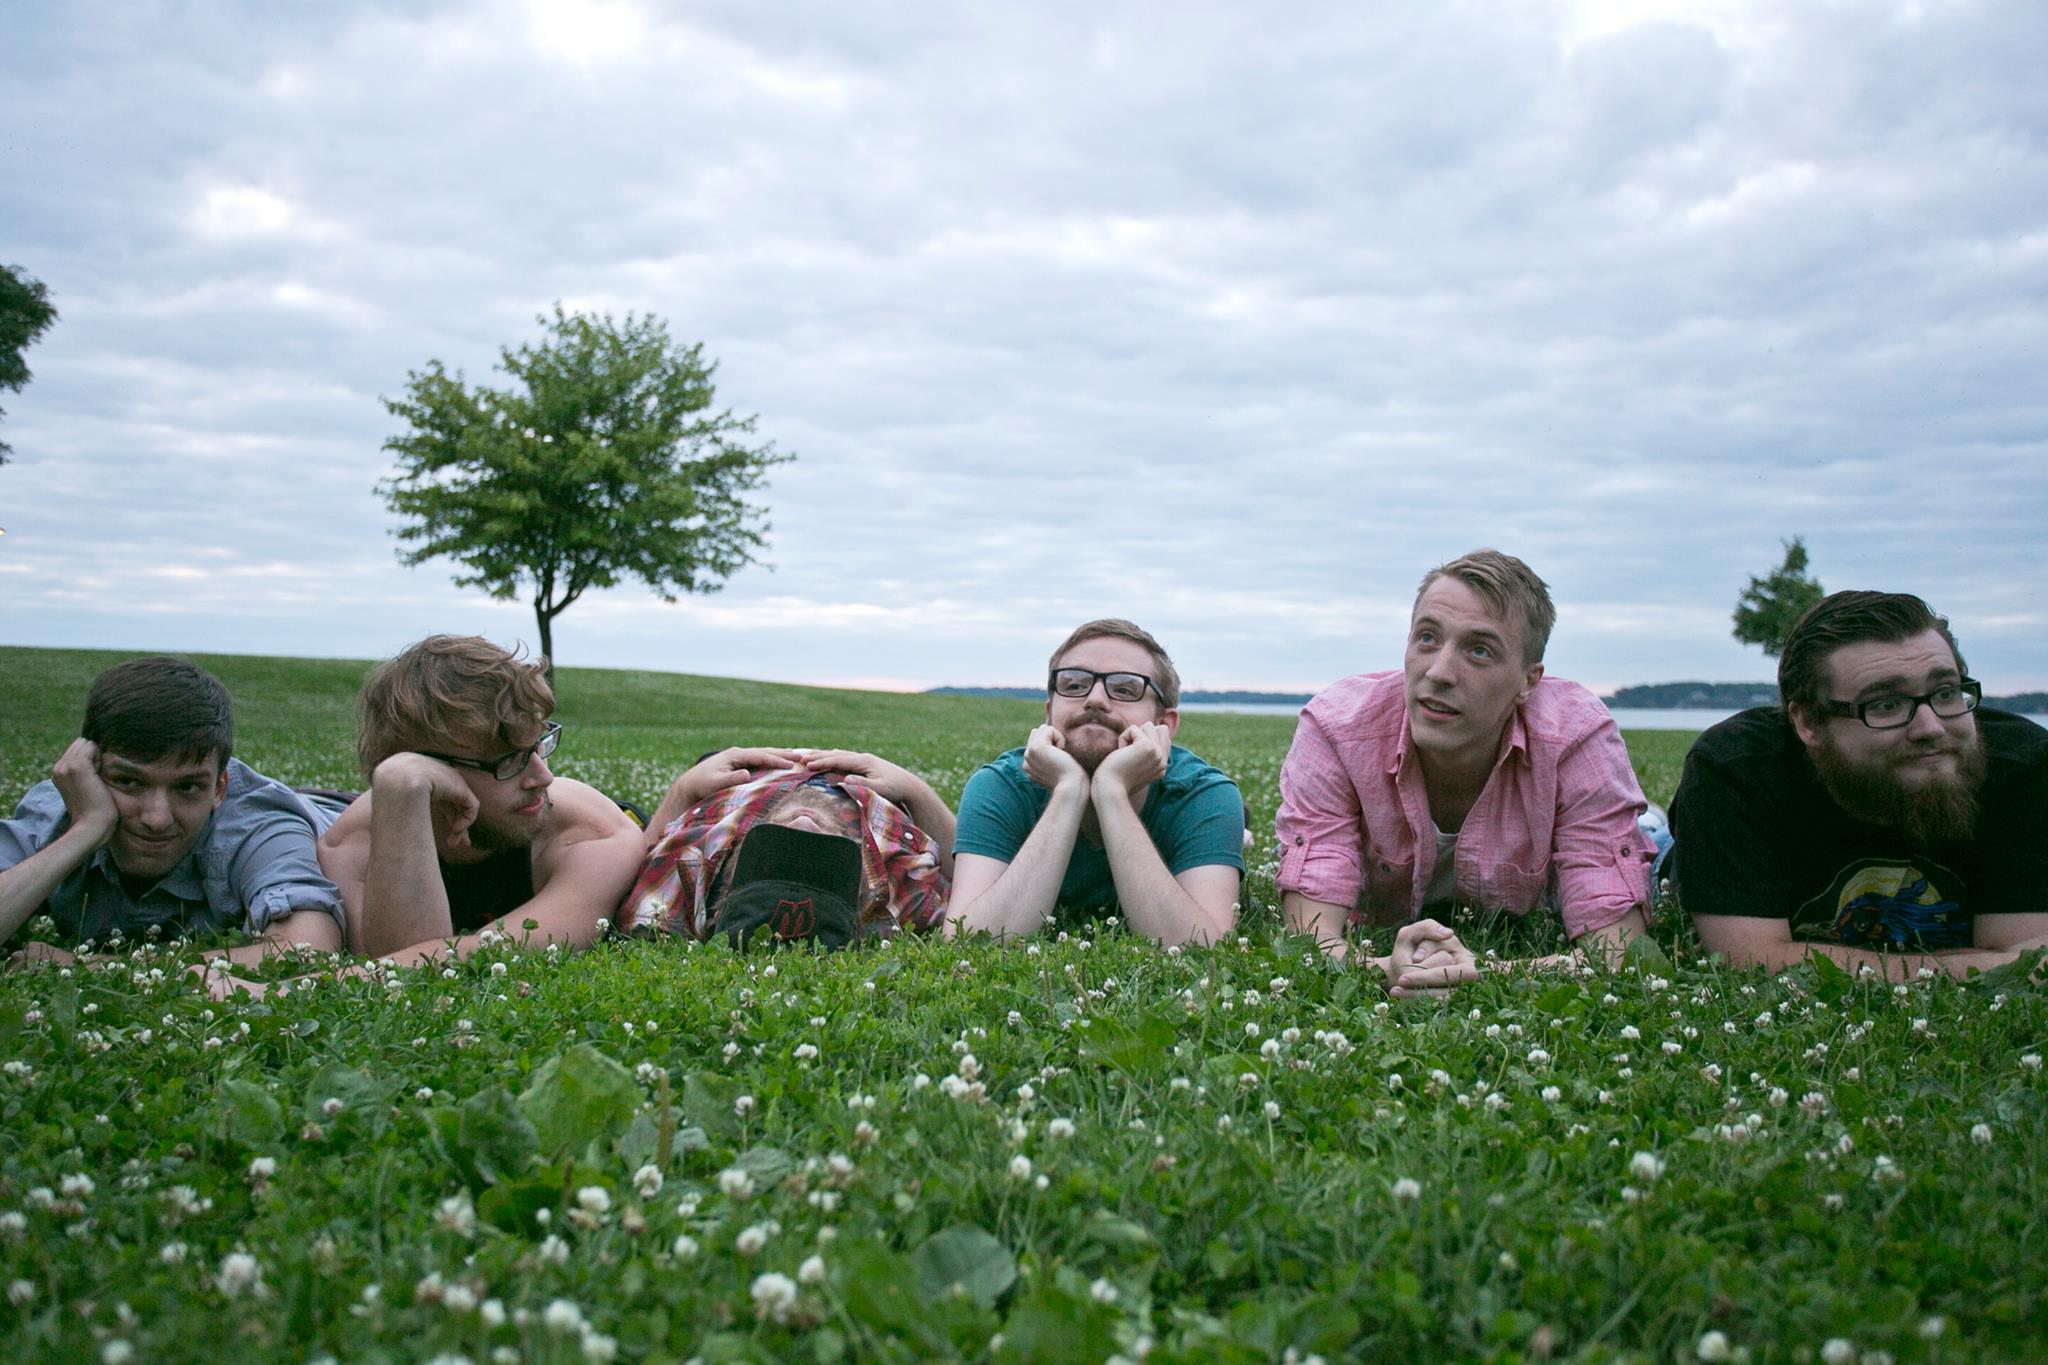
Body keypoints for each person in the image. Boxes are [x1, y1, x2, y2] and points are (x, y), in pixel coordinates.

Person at [1275, 550, 1653, 993]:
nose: (1438, 673)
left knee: (1655, 844)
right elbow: (1311, 942)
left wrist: (1478, 974)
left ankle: (1651, 830)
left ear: (1528, 681)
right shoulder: (1338, 729)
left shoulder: (1576, 738)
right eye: (1427, 638)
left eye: (1479, 650)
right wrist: (1388, 968)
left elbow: (1616, 951)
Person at [1669, 590, 2048, 978]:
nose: (1931, 727)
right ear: (1808, 723)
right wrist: (1978, 964)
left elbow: (2027, 960)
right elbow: (1750, 960)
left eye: (1946, 693)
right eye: (1886, 704)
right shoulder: (1737, 767)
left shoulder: (2024, 765)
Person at [315, 635, 644, 964]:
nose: (543, 776)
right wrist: (401, 783)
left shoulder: (594, 833)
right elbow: (397, 963)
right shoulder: (352, 845)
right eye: (508, 761)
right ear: (432, 773)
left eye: (537, 745)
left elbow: (417, 966)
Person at [0, 656, 345, 962]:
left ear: (219, 788)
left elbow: (308, 946)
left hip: (344, 811)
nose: (157, 818)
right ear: (90, 771)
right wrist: (86, 828)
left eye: (187, 787)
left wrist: (90, 965)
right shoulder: (57, 808)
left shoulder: (259, 824)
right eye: (129, 782)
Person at [948, 619, 1244, 945]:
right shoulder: (1000, 786)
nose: (1095, 699)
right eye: (1074, 684)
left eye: (1125, 688)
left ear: (1165, 724)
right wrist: (1068, 791)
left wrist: (1111, 791)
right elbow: (969, 941)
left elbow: (1203, 947)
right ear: (1049, 712)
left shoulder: (1203, 794)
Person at [624, 747, 952, 948]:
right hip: (866, 772)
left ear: (725, 882)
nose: (804, 824)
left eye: (774, 849)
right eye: (823, 856)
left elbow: (631, 873)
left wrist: (685, 787)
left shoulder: (693, 867)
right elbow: (966, 871)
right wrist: (914, 789)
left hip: (736, 771)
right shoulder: (903, 888)